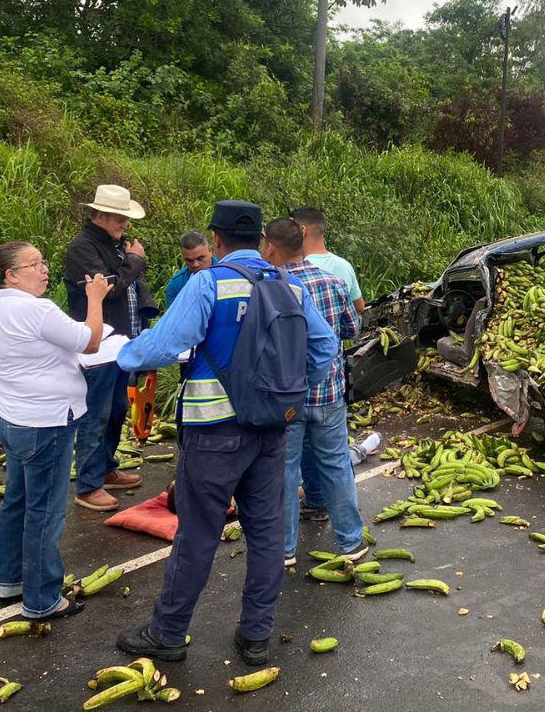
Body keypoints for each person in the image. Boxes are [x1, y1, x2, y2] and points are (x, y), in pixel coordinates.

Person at [113, 201, 338, 665]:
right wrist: (291, 394)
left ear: (216, 240)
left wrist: (122, 357)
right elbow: (326, 346)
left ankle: (168, 633)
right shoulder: (290, 286)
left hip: (214, 433)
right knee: (267, 531)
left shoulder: (208, 284)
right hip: (272, 430)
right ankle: (255, 636)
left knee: (197, 533)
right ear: (261, 240)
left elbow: (162, 345)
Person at [0, 241, 111, 621]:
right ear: (11, 275)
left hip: (13, 418)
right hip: (47, 423)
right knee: (44, 511)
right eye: (34, 264)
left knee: (17, 503)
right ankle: (43, 599)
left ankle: (9, 582)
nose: (44, 269)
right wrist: (95, 298)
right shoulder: (36, 309)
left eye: (44, 262)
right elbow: (91, 340)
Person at [261, 218, 367, 568]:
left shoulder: (270, 287)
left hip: (286, 398)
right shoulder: (334, 282)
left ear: (272, 247)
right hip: (328, 394)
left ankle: (285, 551)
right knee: (337, 466)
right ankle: (352, 544)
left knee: (286, 472)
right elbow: (352, 328)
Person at [64, 184, 158, 513]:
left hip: (121, 343)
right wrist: (134, 262)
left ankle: (106, 467)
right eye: (120, 218)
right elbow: (108, 291)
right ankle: (88, 485)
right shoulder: (83, 249)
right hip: (98, 346)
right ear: (102, 215)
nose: (124, 225)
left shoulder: (114, 246)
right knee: (96, 413)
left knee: (117, 409)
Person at [289, 207, 364, 520]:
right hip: (330, 382)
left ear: (301, 231)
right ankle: (348, 534)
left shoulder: (278, 274)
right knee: (334, 455)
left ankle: (312, 504)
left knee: (294, 455)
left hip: (290, 386)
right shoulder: (340, 268)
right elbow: (358, 312)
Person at [290, 207, 365, 314]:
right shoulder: (344, 265)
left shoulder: (297, 270)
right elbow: (359, 308)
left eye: (290, 229)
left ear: (302, 231)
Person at [164, 231, 216, 307]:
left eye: (200, 258)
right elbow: (173, 317)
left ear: (211, 251)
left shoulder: (227, 271)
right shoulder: (177, 284)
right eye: (189, 260)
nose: (195, 264)